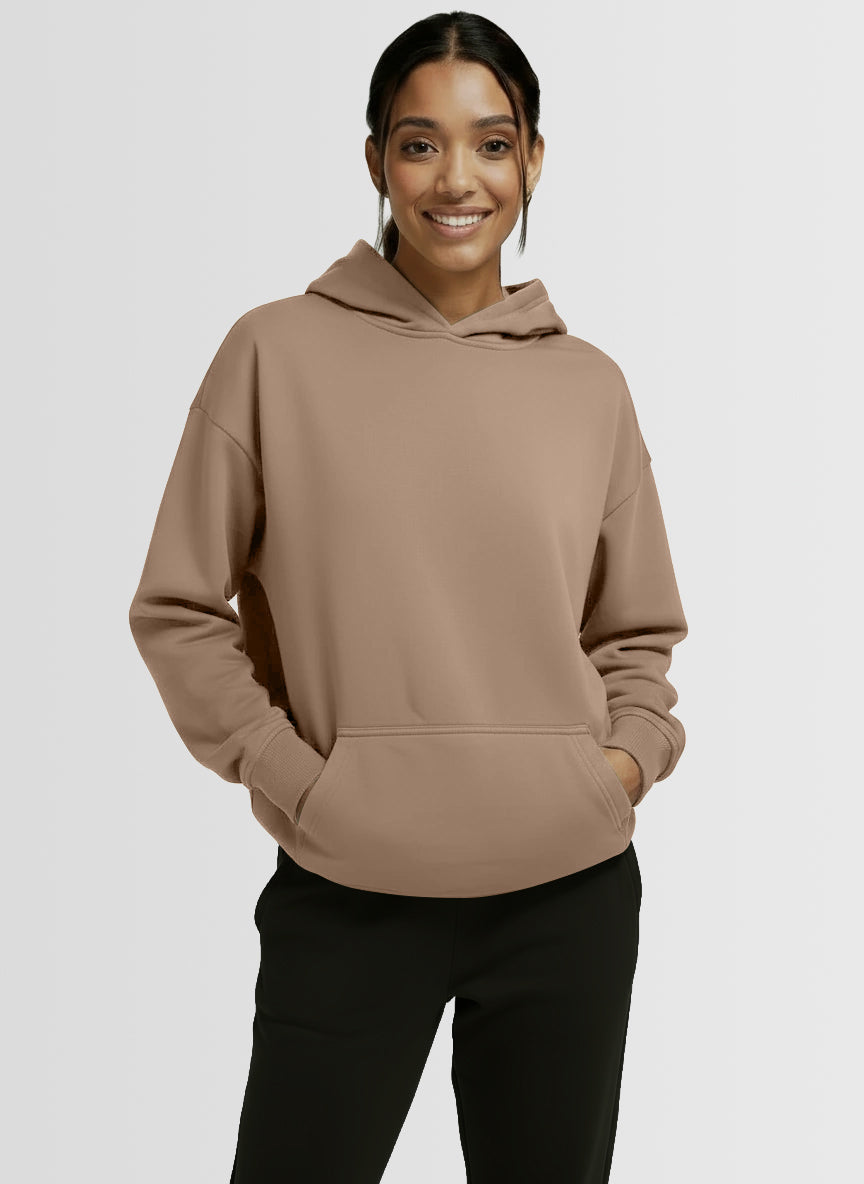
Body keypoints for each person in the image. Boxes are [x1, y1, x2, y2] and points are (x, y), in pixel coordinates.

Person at [128, 11, 688, 1183]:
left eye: (493, 142)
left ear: (534, 160)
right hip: (350, 884)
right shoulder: (274, 353)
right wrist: (296, 778)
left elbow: (635, 629)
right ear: (377, 160)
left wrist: (622, 762)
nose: (457, 179)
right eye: (420, 143)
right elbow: (177, 605)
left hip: (569, 892)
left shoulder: (589, 385)